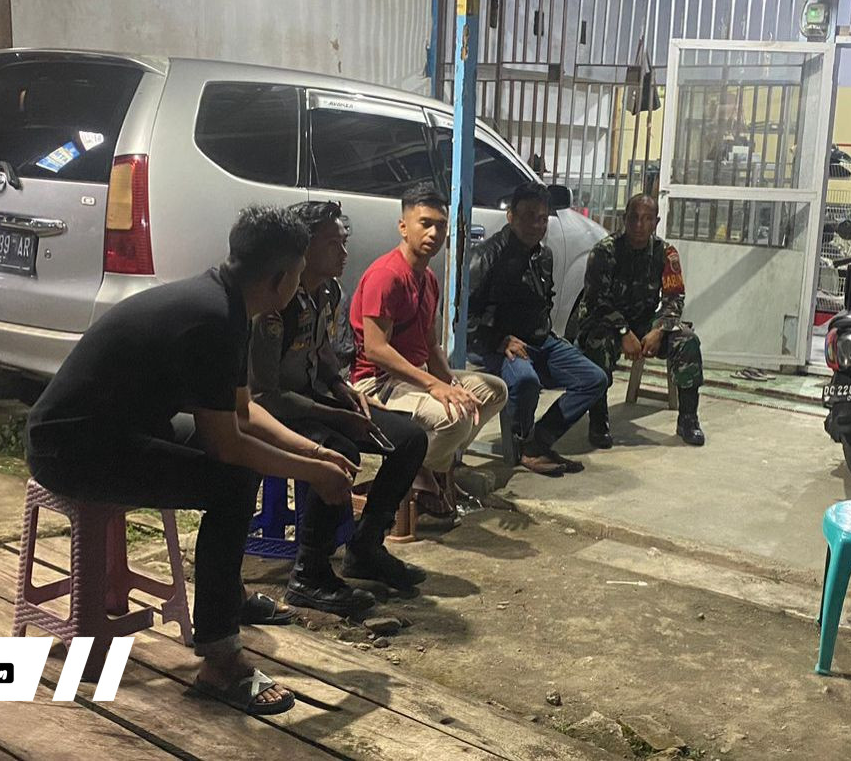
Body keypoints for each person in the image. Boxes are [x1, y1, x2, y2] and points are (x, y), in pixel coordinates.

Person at [26, 206, 357, 718]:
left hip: (118, 428)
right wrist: (315, 473)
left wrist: (313, 452)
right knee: (232, 481)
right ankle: (221, 660)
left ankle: (227, 597)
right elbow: (229, 446)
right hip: (71, 449)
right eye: (297, 273)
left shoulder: (227, 301)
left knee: (240, 470)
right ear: (280, 279)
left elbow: (242, 412)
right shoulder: (215, 318)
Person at [248, 201, 430, 614]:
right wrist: (336, 414)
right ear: (304, 247)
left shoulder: (328, 291)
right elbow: (265, 395)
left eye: (344, 242)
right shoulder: (276, 301)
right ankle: (308, 574)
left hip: (316, 399)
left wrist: (343, 389)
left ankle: (365, 547)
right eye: (334, 244)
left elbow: (322, 350)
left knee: (409, 439)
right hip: (277, 412)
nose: (344, 253)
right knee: (340, 451)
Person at [350, 183, 508, 488]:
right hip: (378, 382)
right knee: (456, 418)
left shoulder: (429, 279)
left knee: (492, 391)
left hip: (415, 375)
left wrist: (450, 384)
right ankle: (415, 477)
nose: (434, 233)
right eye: (425, 224)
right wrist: (434, 385)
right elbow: (376, 350)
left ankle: (430, 468)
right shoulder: (387, 276)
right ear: (403, 227)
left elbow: (431, 344)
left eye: (441, 225)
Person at [469, 184, 610, 475]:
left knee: (594, 379)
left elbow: (544, 301)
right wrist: (499, 340)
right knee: (525, 381)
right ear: (511, 216)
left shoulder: (544, 256)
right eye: (529, 216)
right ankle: (521, 444)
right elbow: (463, 319)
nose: (537, 225)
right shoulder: (485, 257)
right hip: (497, 346)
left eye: (543, 218)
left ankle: (538, 442)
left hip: (540, 341)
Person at [568, 194, 706, 447]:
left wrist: (659, 330)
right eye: (634, 218)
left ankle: (688, 419)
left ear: (656, 222)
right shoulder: (605, 251)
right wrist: (623, 332)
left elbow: (674, 299)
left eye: (647, 219)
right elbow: (597, 301)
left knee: (687, 341)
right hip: (605, 322)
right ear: (625, 219)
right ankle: (598, 420)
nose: (639, 225)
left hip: (644, 322)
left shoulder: (666, 253)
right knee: (598, 344)